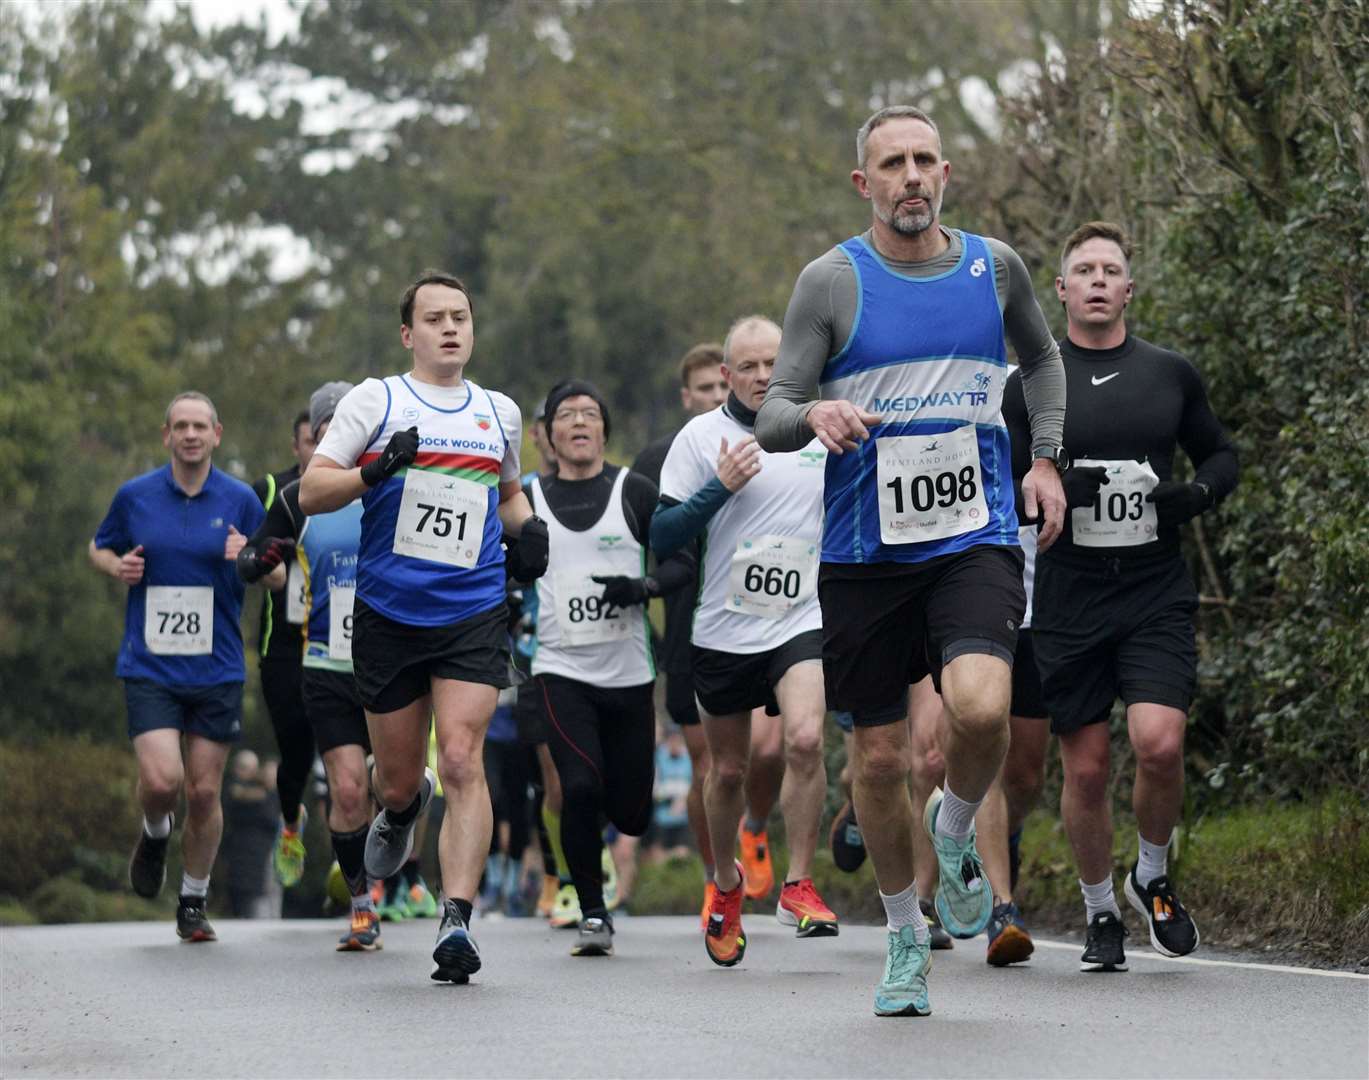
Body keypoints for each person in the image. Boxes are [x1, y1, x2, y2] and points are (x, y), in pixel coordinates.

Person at [754, 105, 1068, 1016]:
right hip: (863, 553)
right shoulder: (830, 281)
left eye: (924, 159)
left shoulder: (992, 267)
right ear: (864, 183)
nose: (910, 177)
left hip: (971, 534)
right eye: (891, 163)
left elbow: (1041, 362)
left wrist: (1043, 454)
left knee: (981, 708)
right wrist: (812, 415)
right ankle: (901, 938)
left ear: (945, 174)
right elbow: (775, 409)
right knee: (880, 760)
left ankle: (957, 827)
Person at [299, 270, 549, 983]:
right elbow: (313, 491)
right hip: (388, 615)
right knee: (401, 780)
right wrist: (376, 469)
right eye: (434, 318)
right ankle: (403, 810)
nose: (450, 328)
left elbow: (504, 496)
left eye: (461, 317)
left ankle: (456, 921)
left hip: (469, 611)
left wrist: (528, 534)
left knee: (465, 758)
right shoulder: (376, 399)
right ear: (408, 334)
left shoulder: (496, 412)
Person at [1002, 220, 1238, 972]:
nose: (1098, 280)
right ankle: (1099, 907)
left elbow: (1221, 455)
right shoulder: (1029, 384)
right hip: (1068, 593)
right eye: (1084, 270)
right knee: (1088, 768)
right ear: (1062, 290)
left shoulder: (1169, 373)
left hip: (1152, 587)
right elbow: (992, 490)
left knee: (1159, 744)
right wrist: (1044, 490)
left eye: (1111, 269)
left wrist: (1192, 496)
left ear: (1128, 289)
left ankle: (1153, 876)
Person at [654, 315, 839, 967]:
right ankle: (727, 883)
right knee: (726, 770)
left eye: (774, 363)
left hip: (800, 617)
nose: (764, 376)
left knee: (807, 739)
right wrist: (719, 487)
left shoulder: (819, 425)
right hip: (723, 626)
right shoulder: (701, 438)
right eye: (750, 367)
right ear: (726, 375)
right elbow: (662, 534)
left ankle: (797, 881)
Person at [89, 391, 265, 942]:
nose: (191, 435)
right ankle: (154, 828)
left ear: (217, 434)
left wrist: (252, 558)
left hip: (217, 668)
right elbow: (99, 546)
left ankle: (192, 898)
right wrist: (116, 564)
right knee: (164, 781)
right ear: (166, 435)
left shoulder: (240, 500)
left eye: (200, 426)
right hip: (151, 665)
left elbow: (277, 572)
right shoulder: (135, 496)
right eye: (180, 427)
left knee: (206, 792)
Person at [528, 379, 694, 956]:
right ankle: (593, 912)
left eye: (589, 414)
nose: (578, 423)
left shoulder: (636, 491)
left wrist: (641, 586)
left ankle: (598, 853)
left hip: (629, 675)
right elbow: (499, 565)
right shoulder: (527, 498)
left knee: (631, 812)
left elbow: (682, 562)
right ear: (548, 435)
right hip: (559, 668)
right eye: (566, 415)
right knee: (578, 786)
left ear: (604, 428)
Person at [237, 380, 389, 951]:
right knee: (347, 792)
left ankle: (403, 814)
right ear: (316, 436)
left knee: (392, 788)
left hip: (393, 663)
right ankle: (360, 904)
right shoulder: (299, 496)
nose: (339, 437)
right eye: (328, 429)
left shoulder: (394, 484)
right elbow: (257, 552)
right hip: (325, 661)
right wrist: (257, 558)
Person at [631, 343, 727, 922]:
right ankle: (721, 878)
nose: (716, 397)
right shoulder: (657, 460)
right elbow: (637, 546)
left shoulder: (768, 444)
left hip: (767, 626)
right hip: (688, 633)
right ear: (686, 396)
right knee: (710, 766)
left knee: (768, 753)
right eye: (706, 390)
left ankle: (756, 831)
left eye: (723, 387)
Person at [250, 410, 317, 890]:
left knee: (349, 755)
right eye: (312, 440)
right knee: (295, 750)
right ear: (296, 447)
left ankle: (353, 864)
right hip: (285, 646)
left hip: (347, 639)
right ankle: (291, 822)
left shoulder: (358, 486)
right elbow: (251, 556)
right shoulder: (272, 492)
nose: (320, 448)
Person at [220, 749, 279, 919]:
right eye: (246, 768)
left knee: (264, 909)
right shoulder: (233, 789)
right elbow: (236, 795)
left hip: (263, 859)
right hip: (239, 860)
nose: (252, 773)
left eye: (254, 768)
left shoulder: (267, 793)